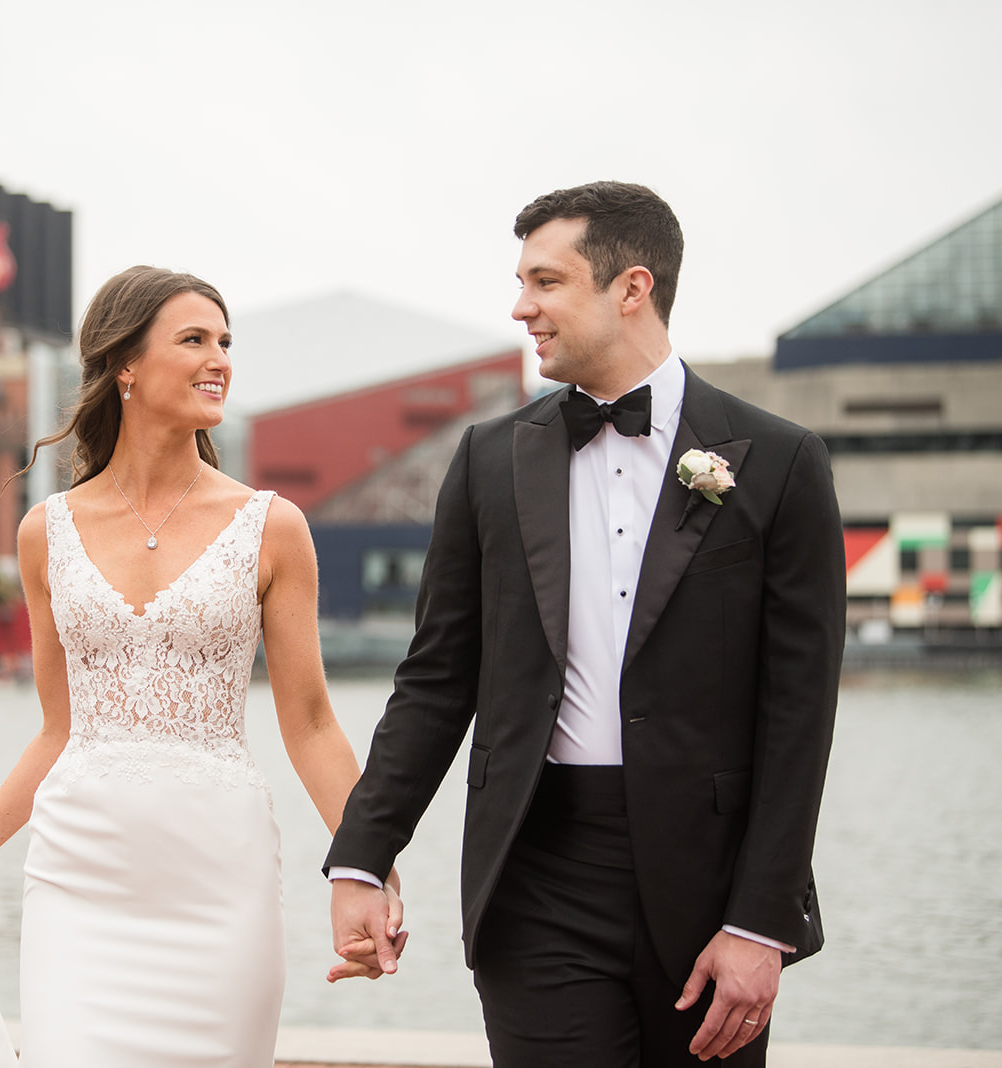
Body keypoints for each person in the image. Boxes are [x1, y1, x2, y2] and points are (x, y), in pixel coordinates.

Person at [325, 182, 844, 1066]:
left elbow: (799, 713)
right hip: (537, 871)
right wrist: (361, 859)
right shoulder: (488, 460)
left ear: (631, 288)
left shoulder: (783, 462)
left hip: (709, 881)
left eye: (546, 281)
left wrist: (764, 921)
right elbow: (438, 677)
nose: (521, 307)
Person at [0, 265, 401, 1066]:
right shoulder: (43, 532)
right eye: (193, 339)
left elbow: (309, 724)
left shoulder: (273, 527)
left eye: (225, 342)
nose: (218, 359)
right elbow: (58, 730)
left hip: (218, 881)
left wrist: (373, 863)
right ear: (125, 365)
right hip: (77, 880)